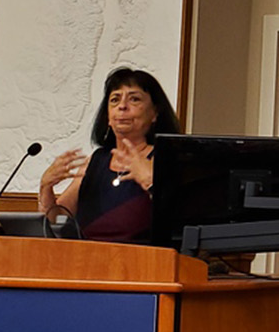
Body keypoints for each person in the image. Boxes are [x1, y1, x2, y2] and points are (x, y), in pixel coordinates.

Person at [38, 67, 181, 243]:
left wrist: (150, 181)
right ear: (107, 116)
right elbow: (57, 219)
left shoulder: (167, 158)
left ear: (155, 114)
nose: (122, 106)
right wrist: (46, 187)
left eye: (134, 99)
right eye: (114, 100)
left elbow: (181, 218)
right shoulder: (96, 161)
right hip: (87, 261)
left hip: (146, 262)